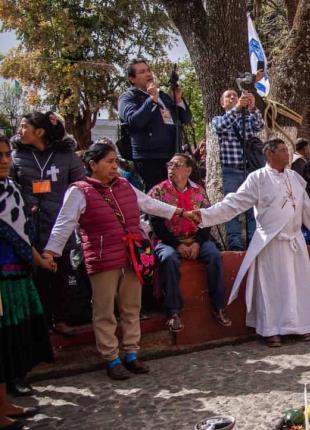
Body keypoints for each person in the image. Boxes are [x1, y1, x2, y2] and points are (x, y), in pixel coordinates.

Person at [44, 143, 190, 380]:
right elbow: (64, 223)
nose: (115, 166)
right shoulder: (79, 191)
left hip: (131, 256)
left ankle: (131, 353)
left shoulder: (124, 185)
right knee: (104, 311)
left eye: (115, 162)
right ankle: (111, 358)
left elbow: (149, 204)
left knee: (131, 307)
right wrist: (51, 252)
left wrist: (180, 212)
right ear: (92, 165)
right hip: (102, 258)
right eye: (109, 162)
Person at [190, 139, 310, 347]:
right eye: (283, 151)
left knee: (297, 285)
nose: (288, 155)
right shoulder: (257, 178)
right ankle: (271, 330)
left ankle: (298, 326)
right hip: (271, 242)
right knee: (271, 288)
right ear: (269, 154)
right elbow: (234, 203)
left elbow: (306, 211)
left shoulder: (295, 177)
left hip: (295, 241)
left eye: (288, 150)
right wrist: (205, 215)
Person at [12, 112, 85, 340]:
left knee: (61, 274)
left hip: (59, 224)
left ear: (40, 131)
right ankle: (39, 322)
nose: (20, 131)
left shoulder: (66, 156)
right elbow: (11, 186)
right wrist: (28, 205)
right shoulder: (16, 156)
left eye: (25, 126)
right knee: (36, 277)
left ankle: (60, 319)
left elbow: (80, 185)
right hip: (29, 226)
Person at [0, 136, 56, 429]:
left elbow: (20, 234)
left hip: (17, 274)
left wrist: (39, 260)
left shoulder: (11, 191)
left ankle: (5, 402)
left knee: (13, 339)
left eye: (7, 154)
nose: (5, 160)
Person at [148, 154, 231, 333]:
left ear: (188, 170)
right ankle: (173, 312)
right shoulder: (158, 191)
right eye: (169, 164)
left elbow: (207, 219)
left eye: (176, 165)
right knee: (168, 259)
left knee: (214, 256)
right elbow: (155, 223)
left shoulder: (198, 191)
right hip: (169, 241)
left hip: (196, 238)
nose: (171, 168)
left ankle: (218, 306)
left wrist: (197, 244)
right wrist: (177, 245)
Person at [117, 58, 192, 190]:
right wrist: (151, 100)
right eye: (142, 72)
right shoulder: (128, 97)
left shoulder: (162, 95)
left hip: (172, 154)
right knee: (156, 196)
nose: (148, 74)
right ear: (132, 79)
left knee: (175, 194)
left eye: (148, 70)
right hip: (149, 158)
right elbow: (135, 121)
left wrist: (178, 100)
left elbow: (185, 118)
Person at [212, 89, 264, 251]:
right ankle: (234, 243)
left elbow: (259, 126)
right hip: (231, 171)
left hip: (250, 170)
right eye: (228, 96)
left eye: (235, 95)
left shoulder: (246, 119)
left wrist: (253, 107)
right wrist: (237, 109)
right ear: (222, 103)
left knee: (252, 208)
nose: (233, 97)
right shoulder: (218, 119)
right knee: (232, 207)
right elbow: (221, 127)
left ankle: (255, 240)